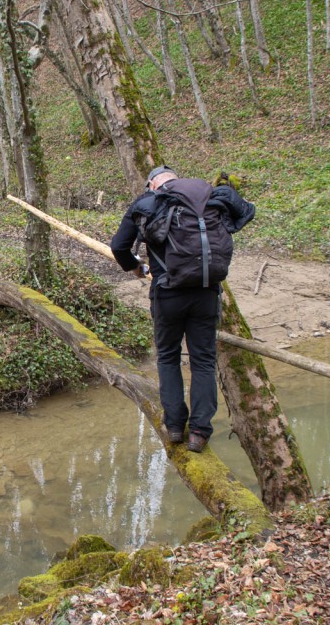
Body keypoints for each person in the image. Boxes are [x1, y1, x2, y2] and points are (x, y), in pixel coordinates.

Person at [110, 165, 253, 453]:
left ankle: (175, 426)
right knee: (202, 361)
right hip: (207, 292)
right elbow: (246, 212)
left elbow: (118, 246)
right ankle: (199, 433)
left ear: (152, 185)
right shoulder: (210, 198)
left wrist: (136, 267)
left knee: (168, 357)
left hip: (168, 293)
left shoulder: (148, 202)